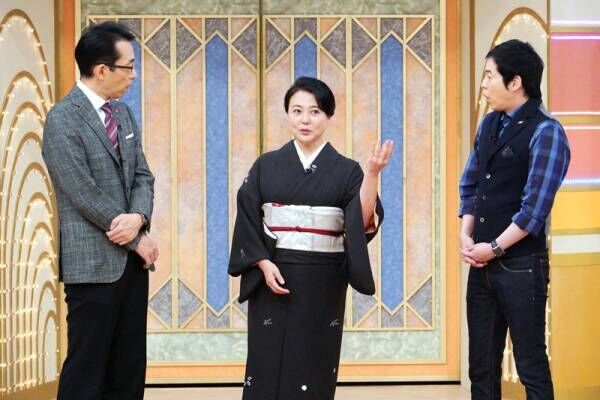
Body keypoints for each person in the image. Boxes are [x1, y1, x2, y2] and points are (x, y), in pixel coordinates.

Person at [228, 77, 393, 399]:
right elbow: (247, 218)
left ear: (329, 116)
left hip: (323, 280)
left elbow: (361, 221)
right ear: (287, 114)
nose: (305, 119)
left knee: (314, 361)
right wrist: (261, 263)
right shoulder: (266, 165)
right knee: (266, 361)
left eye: (315, 111)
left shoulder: (347, 170)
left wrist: (372, 173)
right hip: (272, 276)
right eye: (297, 111)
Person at [41, 22, 158, 400]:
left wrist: (139, 218)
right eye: (129, 66)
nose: (134, 75)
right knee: (87, 370)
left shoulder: (123, 114)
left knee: (129, 368)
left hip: (132, 266)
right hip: (92, 265)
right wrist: (136, 238)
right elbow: (81, 192)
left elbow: (143, 175)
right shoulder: (62, 119)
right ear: (102, 69)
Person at [459, 39, 570, 400]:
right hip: (481, 265)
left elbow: (533, 210)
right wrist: (466, 232)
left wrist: (493, 247)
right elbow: (471, 183)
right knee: (481, 368)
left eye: (489, 76)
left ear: (516, 82)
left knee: (530, 365)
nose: (484, 85)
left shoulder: (546, 131)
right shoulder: (489, 123)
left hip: (521, 266)